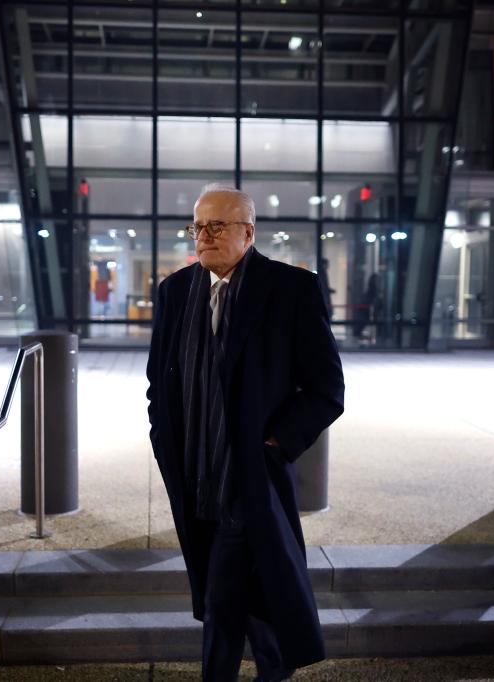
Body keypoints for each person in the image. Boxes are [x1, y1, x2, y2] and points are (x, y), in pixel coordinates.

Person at [146, 184, 345, 681]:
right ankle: (275, 667)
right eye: (198, 227)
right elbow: (158, 384)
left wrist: (275, 444)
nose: (204, 236)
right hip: (192, 475)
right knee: (244, 588)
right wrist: (162, 439)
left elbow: (327, 389)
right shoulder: (174, 292)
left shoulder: (289, 290)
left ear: (248, 232)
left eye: (218, 226)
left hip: (248, 473)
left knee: (221, 600)